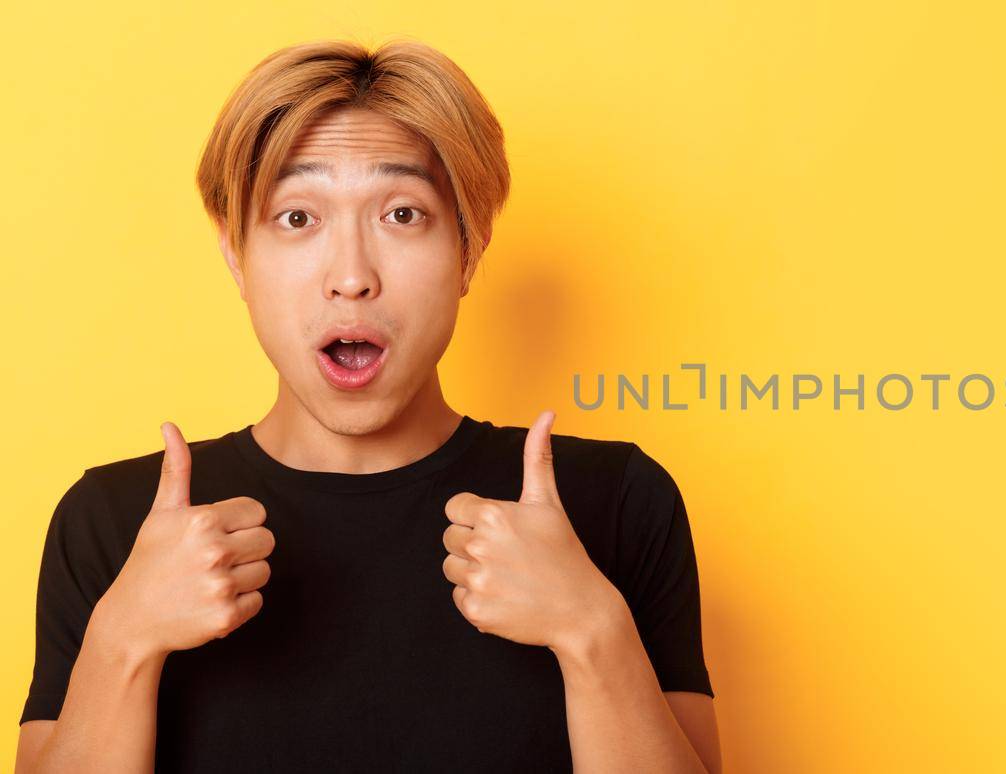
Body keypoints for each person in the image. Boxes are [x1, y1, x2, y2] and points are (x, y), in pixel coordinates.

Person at [14, 38, 720, 773]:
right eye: (296, 218)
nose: (351, 276)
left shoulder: (616, 502)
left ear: (469, 249)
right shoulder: (115, 520)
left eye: (403, 214)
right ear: (236, 256)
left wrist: (591, 628)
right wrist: (123, 640)